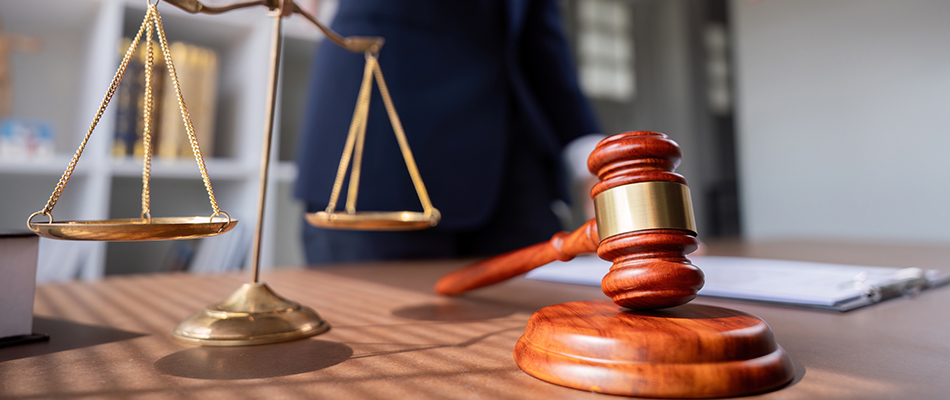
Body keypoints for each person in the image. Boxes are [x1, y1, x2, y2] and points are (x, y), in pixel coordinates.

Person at [295, 0, 601, 263]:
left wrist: (590, 157)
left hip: (511, 174)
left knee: (542, 310)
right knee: (371, 313)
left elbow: (540, 37)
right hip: (382, 161)